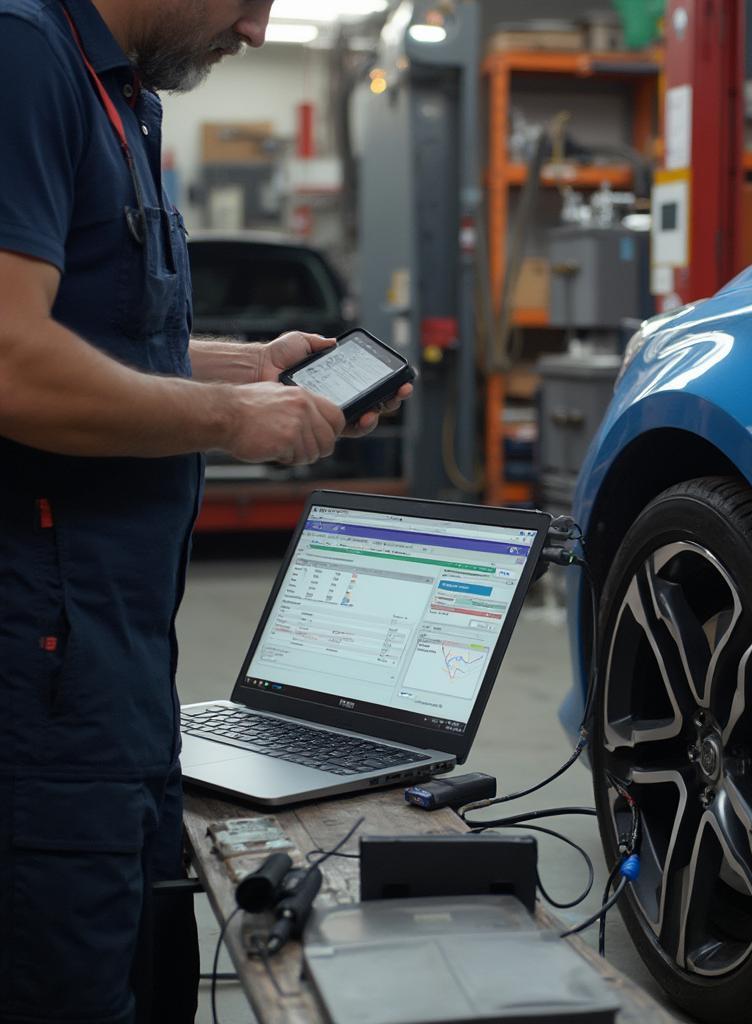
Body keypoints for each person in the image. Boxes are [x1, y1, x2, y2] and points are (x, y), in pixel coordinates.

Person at [0, 1, 412, 1021]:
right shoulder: (21, 58)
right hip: (39, 695)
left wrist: (253, 369)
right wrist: (233, 418)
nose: (260, 30)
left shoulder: (118, 96)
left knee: (152, 978)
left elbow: (93, 344)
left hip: (119, 677)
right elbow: (9, 364)